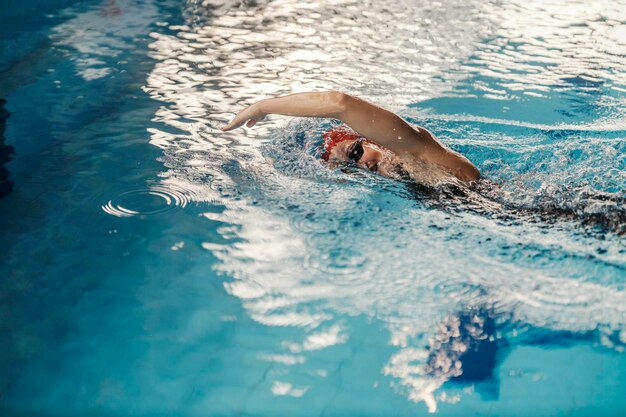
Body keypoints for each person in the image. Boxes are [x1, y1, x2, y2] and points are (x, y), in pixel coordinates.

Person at [222, 91, 480, 183]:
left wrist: (261, 107)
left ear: (372, 139)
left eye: (356, 152)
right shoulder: (410, 179)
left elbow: (340, 103)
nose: (363, 165)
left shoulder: (413, 147)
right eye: (351, 166)